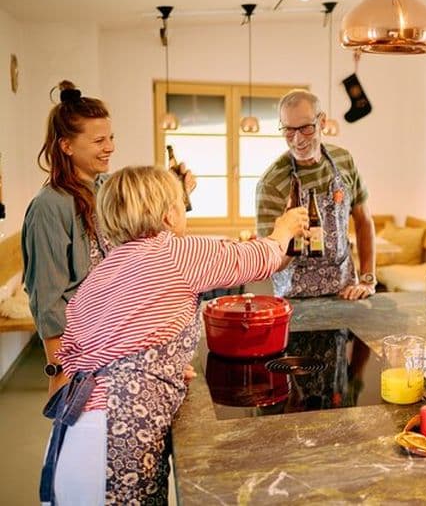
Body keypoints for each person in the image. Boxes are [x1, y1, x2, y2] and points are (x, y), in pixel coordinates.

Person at [40, 166, 308, 504]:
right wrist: (283, 230)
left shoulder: (103, 270)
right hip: (120, 433)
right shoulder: (174, 251)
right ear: (169, 215)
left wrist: (161, 366)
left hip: (76, 430)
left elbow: (101, 343)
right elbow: (256, 259)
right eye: (183, 204)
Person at [22, 81, 195, 397]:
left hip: (116, 339)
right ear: (67, 146)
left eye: (111, 138)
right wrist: (59, 371)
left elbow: (149, 232)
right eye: (99, 140)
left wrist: (177, 192)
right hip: (84, 350)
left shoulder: (106, 187)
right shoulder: (50, 206)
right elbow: (47, 299)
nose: (110, 147)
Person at [256, 89, 376, 300]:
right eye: (289, 130)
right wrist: (290, 236)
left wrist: (367, 279)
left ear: (322, 122)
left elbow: (364, 222)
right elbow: (267, 259)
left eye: (305, 128)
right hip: (295, 301)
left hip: (346, 294)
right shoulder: (272, 182)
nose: (297, 139)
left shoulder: (344, 161)